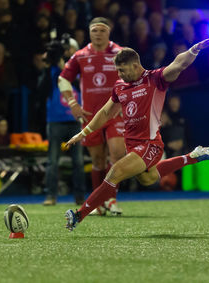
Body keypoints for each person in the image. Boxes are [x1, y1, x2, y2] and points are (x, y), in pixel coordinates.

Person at [64, 38, 209, 231]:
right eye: (117, 70)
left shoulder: (155, 79)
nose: (119, 74)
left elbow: (178, 64)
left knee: (115, 172)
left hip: (150, 144)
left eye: (122, 70)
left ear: (135, 66)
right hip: (133, 146)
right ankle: (191, 157)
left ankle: (78, 216)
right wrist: (82, 133)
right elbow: (105, 113)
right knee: (148, 179)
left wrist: (194, 49)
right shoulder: (120, 87)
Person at [58, 17, 125, 215]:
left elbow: (134, 76)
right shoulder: (80, 56)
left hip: (115, 113)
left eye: (102, 30)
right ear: (89, 33)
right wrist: (73, 104)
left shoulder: (120, 53)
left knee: (117, 154)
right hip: (90, 116)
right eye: (94, 30)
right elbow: (63, 79)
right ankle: (98, 203)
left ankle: (111, 200)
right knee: (97, 160)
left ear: (109, 32)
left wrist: (126, 101)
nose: (98, 34)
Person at [42, 38, 86, 205]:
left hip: (74, 119)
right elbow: (41, 90)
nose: (68, 53)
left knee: (78, 161)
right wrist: (48, 67)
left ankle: (80, 196)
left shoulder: (79, 69)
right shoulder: (51, 70)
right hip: (55, 120)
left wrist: (64, 69)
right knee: (53, 160)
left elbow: (80, 85)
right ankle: (51, 196)